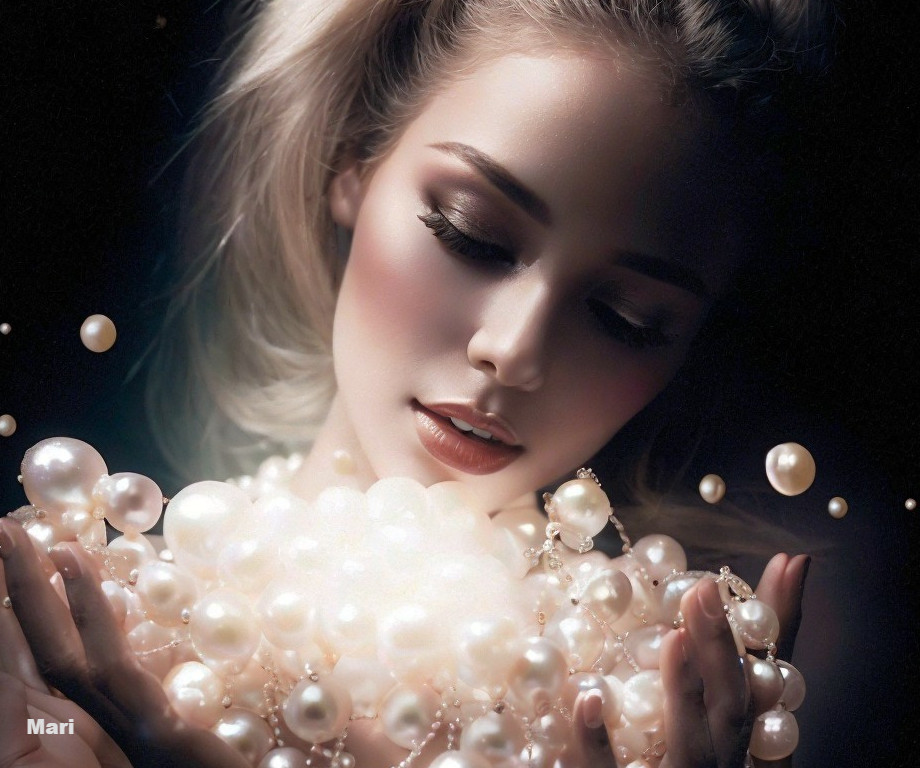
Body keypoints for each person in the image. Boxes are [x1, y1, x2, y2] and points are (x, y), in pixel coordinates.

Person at [0, 0, 831, 765]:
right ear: (353, 162)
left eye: (627, 317)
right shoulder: (65, 650)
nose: (514, 352)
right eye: (470, 235)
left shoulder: (651, 716)